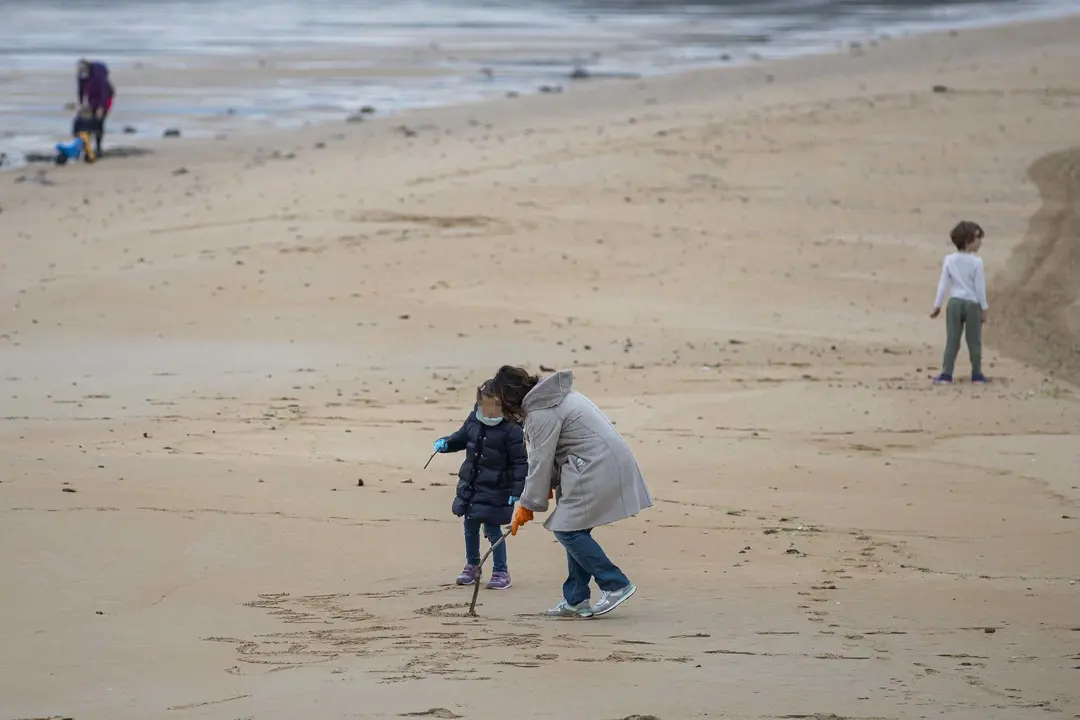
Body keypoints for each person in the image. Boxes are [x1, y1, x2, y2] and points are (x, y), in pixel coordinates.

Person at [495, 366, 652, 619]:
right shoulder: (553, 398)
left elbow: (540, 462)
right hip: (595, 465)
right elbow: (551, 456)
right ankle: (576, 599)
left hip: (594, 467)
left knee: (567, 529)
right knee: (575, 529)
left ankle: (615, 584)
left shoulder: (540, 412)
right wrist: (546, 486)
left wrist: (528, 504)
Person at [433, 380, 527, 590]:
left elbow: (520, 462)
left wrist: (516, 490)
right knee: (470, 526)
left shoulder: (512, 430)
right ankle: (472, 566)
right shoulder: (474, 420)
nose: (489, 410)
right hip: (472, 485)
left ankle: (501, 571)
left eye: (495, 405)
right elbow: (461, 438)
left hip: (497, 488)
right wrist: (446, 444)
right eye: (485, 404)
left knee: (493, 529)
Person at [930, 221, 989, 384]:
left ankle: (946, 374)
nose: (980, 242)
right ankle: (976, 374)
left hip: (954, 303)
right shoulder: (977, 262)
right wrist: (984, 308)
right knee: (974, 340)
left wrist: (937, 305)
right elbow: (980, 287)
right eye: (978, 239)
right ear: (969, 240)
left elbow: (943, 284)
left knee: (952, 340)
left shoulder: (949, 259)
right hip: (972, 304)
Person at [77, 59, 115, 156]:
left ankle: (98, 148)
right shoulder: (81, 75)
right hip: (92, 97)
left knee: (99, 121)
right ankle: (87, 147)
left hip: (106, 97)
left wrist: (101, 107)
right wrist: (82, 105)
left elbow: (104, 91)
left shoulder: (99, 75)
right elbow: (81, 90)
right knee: (88, 121)